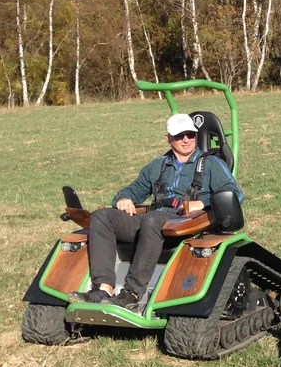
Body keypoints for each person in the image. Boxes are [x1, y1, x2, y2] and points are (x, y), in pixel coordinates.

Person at [68, 113, 244, 311]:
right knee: (102, 217)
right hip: (154, 220)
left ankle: (131, 294)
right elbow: (132, 190)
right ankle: (103, 289)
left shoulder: (211, 164)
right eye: (179, 136)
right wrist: (123, 199)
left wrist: (203, 203)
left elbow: (235, 194)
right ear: (168, 138)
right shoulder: (158, 166)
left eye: (190, 134)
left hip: (188, 222)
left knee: (152, 219)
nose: (186, 140)